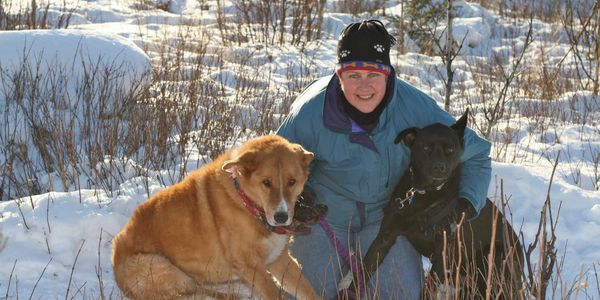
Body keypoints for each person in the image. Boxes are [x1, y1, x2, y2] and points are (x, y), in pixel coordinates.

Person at [277, 19, 491, 299]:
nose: (364, 86)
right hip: (326, 217)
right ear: (339, 76)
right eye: (353, 75)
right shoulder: (309, 112)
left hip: (388, 217)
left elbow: (478, 154)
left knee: (401, 293)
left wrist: (465, 206)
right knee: (300, 293)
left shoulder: (415, 108)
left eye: (373, 74)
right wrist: (295, 198)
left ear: (388, 75)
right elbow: (274, 167)